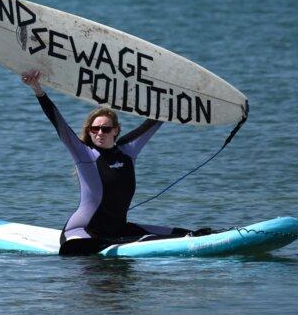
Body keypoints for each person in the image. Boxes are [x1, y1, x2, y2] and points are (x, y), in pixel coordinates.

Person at [21, 69, 205, 255]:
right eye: (95, 129)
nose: (99, 133)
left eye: (105, 129)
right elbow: (57, 121)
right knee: (77, 249)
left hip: (118, 230)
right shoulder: (84, 154)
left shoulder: (128, 151)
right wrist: (38, 89)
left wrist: (177, 92)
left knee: (189, 234)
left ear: (115, 130)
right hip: (82, 232)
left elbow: (157, 120)